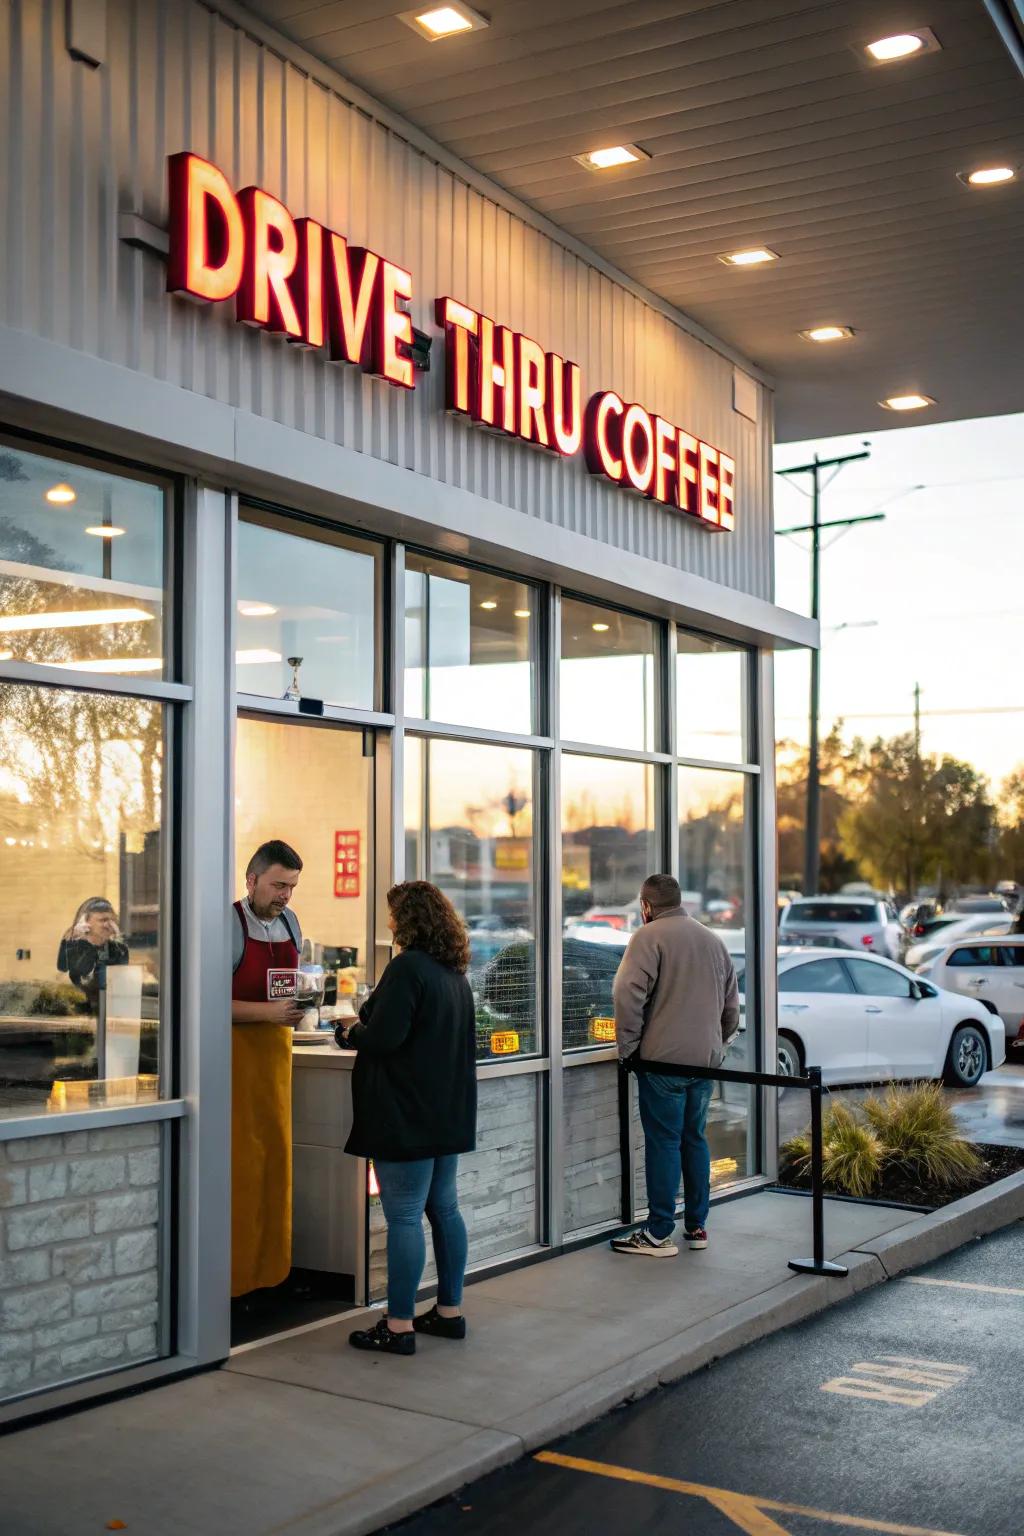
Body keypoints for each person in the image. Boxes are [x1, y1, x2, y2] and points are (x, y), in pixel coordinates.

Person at [341, 881, 477, 1357]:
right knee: (444, 1209)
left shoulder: (407, 969)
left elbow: (385, 1037)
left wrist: (352, 1031)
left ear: (410, 920)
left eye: (395, 916)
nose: (391, 925)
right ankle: (448, 1312)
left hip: (406, 1113)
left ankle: (398, 1326)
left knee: (402, 1214)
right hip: (445, 1113)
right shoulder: (453, 973)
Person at [610, 873, 739, 1259]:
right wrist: (715, 1044)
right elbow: (731, 1008)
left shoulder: (648, 938)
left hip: (663, 1063)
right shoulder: (713, 941)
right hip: (705, 1065)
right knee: (694, 1139)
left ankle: (658, 1232)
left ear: (646, 906)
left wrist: (629, 1049)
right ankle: (697, 1226)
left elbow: (625, 993)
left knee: (664, 1142)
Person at [230, 839, 305, 1298]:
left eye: (292, 887)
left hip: (277, 1065)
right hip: (235, 1066)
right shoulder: (229, 923)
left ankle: (271, 1273)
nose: (285, 896)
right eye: (278, 885)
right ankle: (234, 1279)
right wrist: (268, 1014)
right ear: (252, 879)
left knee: (276, 1168)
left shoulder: (292, 923)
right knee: (241, 1170)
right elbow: (203, 1001)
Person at [57, 897, 129, 1007]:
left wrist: (118, 939)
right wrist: (75, 940)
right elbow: (68, 972)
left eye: (111, 920)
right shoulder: (75, 947)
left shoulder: (118, 949)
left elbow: (118, 980)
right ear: (85, 923)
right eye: (103, 920)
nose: (108, 925)